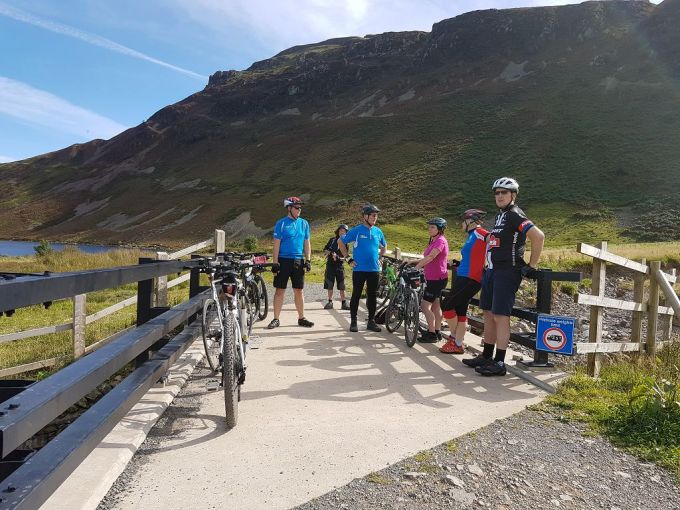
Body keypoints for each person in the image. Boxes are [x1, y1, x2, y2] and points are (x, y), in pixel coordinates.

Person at [463, 177, 544, 376]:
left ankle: (500, 363)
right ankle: (487, 356)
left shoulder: (515, 215)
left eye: (504, 193)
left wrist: (532, 265)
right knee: (489, 314)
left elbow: (538, 236)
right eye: (497, 193)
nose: (499, 196)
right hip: (492, 271)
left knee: (500, 316)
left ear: (513, 195)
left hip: (507, 271)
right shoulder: (501, 216)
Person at [440, 209, 488, 354]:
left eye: (463, 220)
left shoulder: (480, 232)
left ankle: (454, 339)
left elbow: (494, 240)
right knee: (460, 311)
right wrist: (458, 264)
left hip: (472, 277)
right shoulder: (472, 236)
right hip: (464, 275)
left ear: (471, 221)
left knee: (446, 305)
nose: (461, 223)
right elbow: (472, 257)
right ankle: (458, 343)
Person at [338, 204, 387, 333]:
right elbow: (340, 241)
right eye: (372, 215)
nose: (375, 218)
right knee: (356, 294)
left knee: (372, 296)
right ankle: (353, 321)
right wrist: (348, 259)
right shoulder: (357, 230)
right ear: (365, 216)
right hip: (359, 269)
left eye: (376, 216)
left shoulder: (378, 231)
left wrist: (381, 257)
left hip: (374, 270)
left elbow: (384, 246)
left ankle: (371, 321)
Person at [267, 197, 314, 329]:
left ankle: (301, 318)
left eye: (300, 208)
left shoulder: (304, 223)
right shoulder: (281, 223)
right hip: (283, 260)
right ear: (289, 208)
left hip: (298, 260)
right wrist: (275, 263)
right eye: (296, 207)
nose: (299, 210)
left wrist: (308, 259)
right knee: (280, 290)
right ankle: (276, 319)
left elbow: (307, 243)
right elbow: (276, 245)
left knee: (299, 290)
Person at [410, 218, 449, 343]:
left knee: (425, 305)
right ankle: (437, 332)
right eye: (429, 227)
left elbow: (432, 257)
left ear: (440, 229)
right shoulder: (434, 241)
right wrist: (412, 262)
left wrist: (416, 268)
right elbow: (427, 257)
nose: (430, 229)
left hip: (436, 278)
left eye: (433, 227)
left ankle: (431, 333)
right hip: (434, 278)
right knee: (435, 306)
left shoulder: (440, 241)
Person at [323, 224, 350, 310]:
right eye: (341, 231)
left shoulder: (346, 244)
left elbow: (345, 258)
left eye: (344, 231)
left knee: (341, 285)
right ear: (338, 231)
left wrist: (338, 257)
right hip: (330, 265)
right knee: (330, 284)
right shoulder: (332, 240)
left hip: (339, 266)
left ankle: (344, 303)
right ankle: (330, 302)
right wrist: (331, 253)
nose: (342, 232)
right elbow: (325, 250)